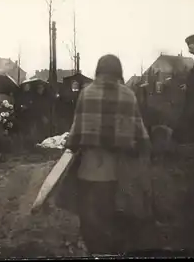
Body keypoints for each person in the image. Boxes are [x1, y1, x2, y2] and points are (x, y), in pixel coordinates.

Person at [62, 54, 152, 255]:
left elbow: (76, 132)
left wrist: (71, 145)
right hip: (120, 171)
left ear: (98, 70)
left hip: (90, 169)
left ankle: (94, 250)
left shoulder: (86, 93)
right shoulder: (129, 95)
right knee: (115, 216)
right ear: (119, 71)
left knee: (90, 217)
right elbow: (141, 134)